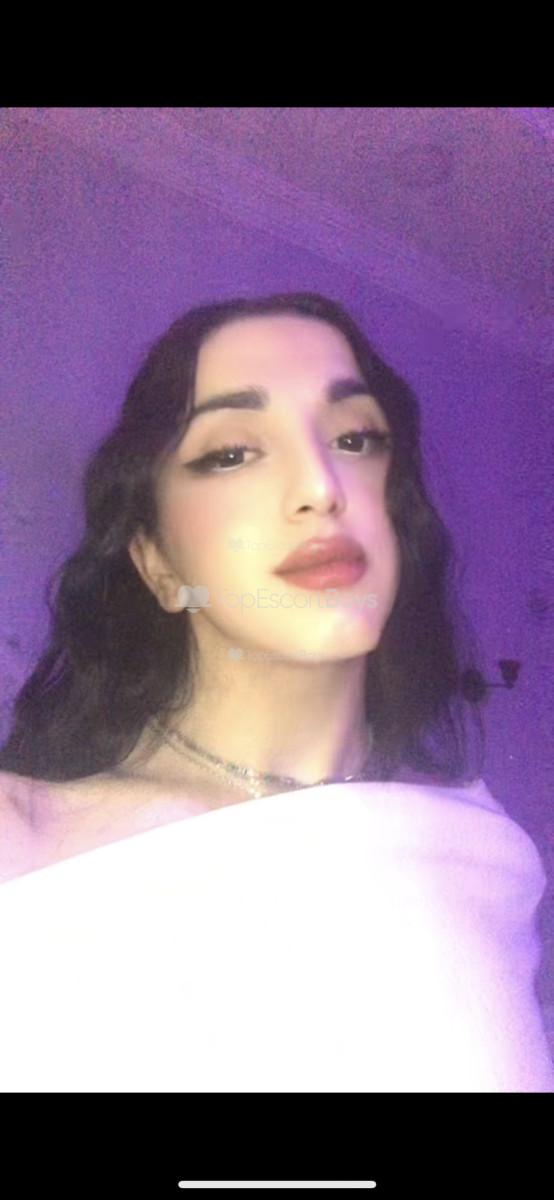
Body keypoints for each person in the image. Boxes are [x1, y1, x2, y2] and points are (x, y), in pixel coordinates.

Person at [0, 292, 552, 1092]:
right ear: (158, 564)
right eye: (232, 452)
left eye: (355, 439)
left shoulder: (486, 851)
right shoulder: (18, 844)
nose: (321, 487)